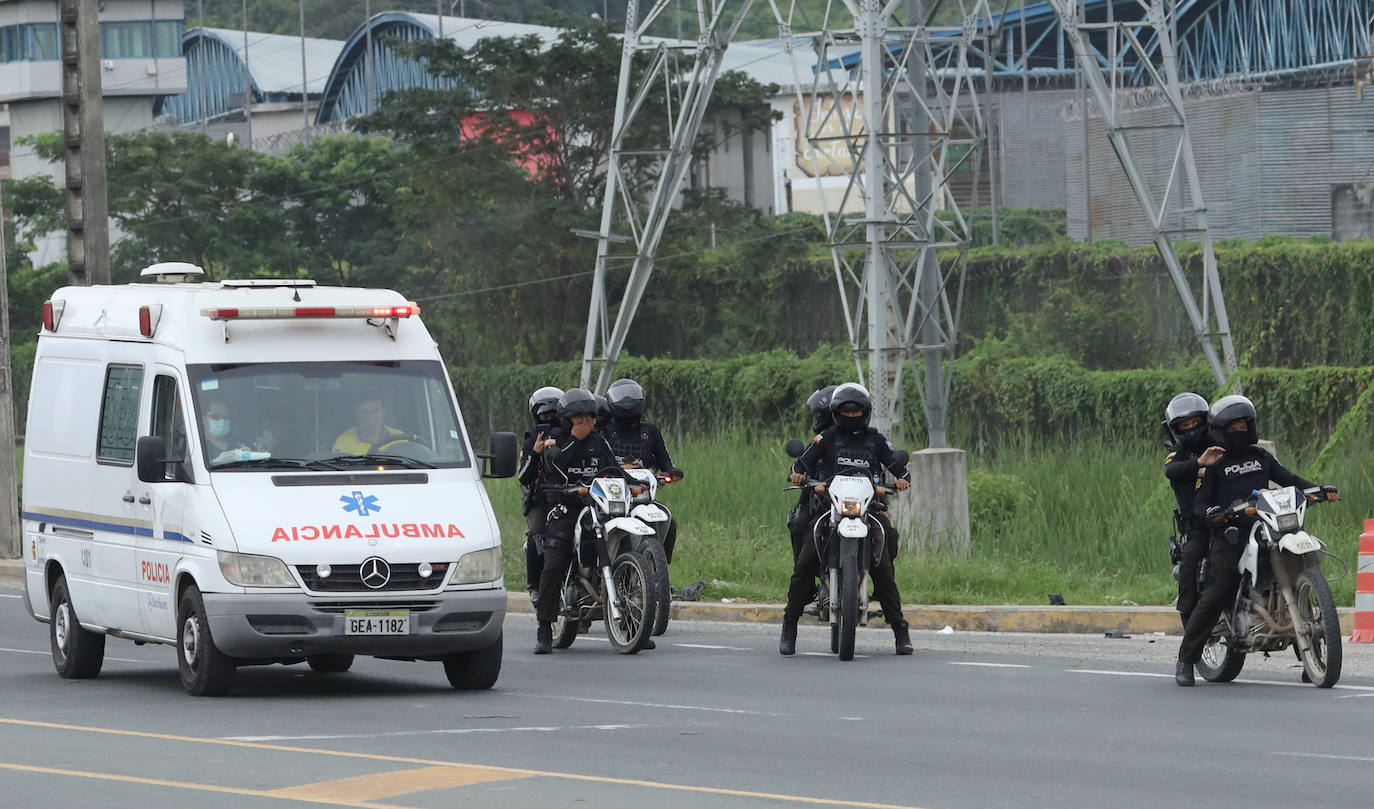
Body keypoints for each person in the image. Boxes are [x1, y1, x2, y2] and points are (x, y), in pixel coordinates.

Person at [1175, 394, 1337, 686]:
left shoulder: (1261, 457)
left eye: (1243, 425)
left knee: (1296, 571)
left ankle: (1311, 656)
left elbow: (1289, 478)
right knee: (1219, 589)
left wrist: (1318, 489)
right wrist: (1214, 513)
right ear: (1222, 430)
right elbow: (1199, 503)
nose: (1239, 430)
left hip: (1268, 527)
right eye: (1233, 426)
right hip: (1231, 533)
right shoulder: (1214, 461)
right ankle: (1186, 659)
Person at [781, 383, 913, 656]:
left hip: (868, 509)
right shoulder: (825, 438)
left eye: (857, 412)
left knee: (884, 567)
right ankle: (789, 625)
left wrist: (902, 479)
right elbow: (802, 463)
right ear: (836, 413)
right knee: (805, 563)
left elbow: (898, 465)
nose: (852, 417)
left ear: (865, 413)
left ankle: (900, 630)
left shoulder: (877, 440)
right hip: (828, 510)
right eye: (846, 412)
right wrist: (798, 474)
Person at [533, 388, 620, 655]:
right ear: (568, 419)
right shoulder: (554, 440)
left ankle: (636, 623)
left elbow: (613, 467)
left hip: (599, 505)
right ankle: (545, 628)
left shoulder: (600, 440)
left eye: (590, 417)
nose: (587, 422)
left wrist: (634, 483)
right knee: (555, 560)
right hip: (566, 507)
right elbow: (553, 467)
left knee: (624, 540)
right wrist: (573, 440)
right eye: (580, 418)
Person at [601, 377, 685, 561]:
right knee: (594, 526)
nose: (628, 404)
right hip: (610, 498)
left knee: (669, 523)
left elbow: (666, 463)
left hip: (643, 496)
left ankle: (661, 572)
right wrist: (617, 469)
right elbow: (598, 461)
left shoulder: (650, 431)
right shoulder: (603, 431)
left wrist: (671, 472)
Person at [1162, 392, 1222, 627]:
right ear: (1175, 428)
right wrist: (1198, 463)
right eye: (1184, 425)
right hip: (1197, 524)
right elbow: (1171, 471)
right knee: (1190, 557)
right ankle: (1188, 620)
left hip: (1228, 515)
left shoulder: (1219, 443)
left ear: (1204, 420)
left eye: (1194, 422)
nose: (1191, 428)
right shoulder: (1177, 455)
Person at [517, 386, 564, 606]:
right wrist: (535, 453)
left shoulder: (571, 437)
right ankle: (534, 585)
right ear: (536, 416)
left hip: (569, 494)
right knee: (535, 533)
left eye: (555, 415)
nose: (551, 420)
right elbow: (523, 477)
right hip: (541, 498)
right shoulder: (530, 442)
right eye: (545, 416)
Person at [332, 395, 419, 454]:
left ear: (383, 412)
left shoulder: (399, 437)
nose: (371, 418)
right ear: (356, 416)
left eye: (375, 411)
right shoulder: (344, 441)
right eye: (365, 413)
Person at [200, 394, 257, 463]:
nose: (222, 421)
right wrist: (217, 463)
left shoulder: (240, 444)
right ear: (203, 419)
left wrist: (250, 457)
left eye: (226, 416)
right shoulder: (198, 447)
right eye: (215, 416)